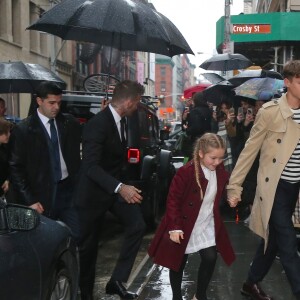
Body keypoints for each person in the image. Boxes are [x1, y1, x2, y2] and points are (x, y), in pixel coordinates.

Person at [227, 60, 300, 300]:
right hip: (274, 188)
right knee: (288, 242)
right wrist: (234, 186)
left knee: (276, 240)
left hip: (295, 190)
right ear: (287, 83)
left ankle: (251, 283)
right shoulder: (270, 113)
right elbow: (249, 151)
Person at [75, 80, 146, 300]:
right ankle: (85, 295)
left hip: (114, 191)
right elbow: (91, 167)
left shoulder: (122, 121)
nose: (137, 107)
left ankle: (116, 281)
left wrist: (125, 186)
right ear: (128, 101)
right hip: (93, 194)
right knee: (88, 250)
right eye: (137, 103)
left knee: (137, 224)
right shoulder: (97, 124)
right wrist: (120, 187)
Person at [148, 133, 235, 300]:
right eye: (213, 158)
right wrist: (174, 227)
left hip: (205, 221)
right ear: (201, 153)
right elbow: (172, 201)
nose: (217, 162)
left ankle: (200, 295)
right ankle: (177, 297)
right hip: (184, 223)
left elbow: (221, 189)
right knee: (178, 262)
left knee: (210, 257)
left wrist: (230, 196)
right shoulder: (186, 172)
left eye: (220, 158)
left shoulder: (219, 169)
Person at [9, 81, 81, 236]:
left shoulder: (68, 123)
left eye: (59, 103)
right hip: (41, 194)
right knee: (45, 240)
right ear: (39, 101)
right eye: (51, 103)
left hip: (68, 190)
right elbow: (16, 168)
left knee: (77, 235)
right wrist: (30, 200)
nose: (56, 107)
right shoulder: (23, 130)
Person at [0, 118, 12, 198]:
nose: (9, 135)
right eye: (6, 132)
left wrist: (8, 180)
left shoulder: (5, 148)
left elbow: (10, 167)